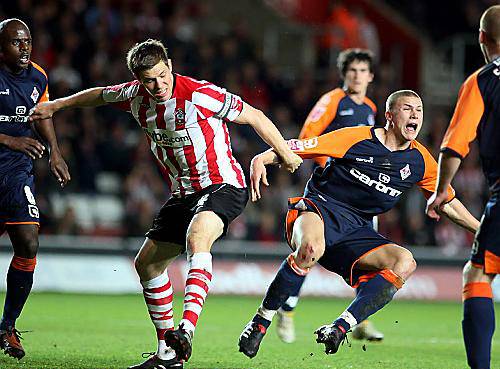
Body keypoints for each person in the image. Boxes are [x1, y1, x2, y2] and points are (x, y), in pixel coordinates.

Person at [30, 39, 302, 369]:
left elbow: (255, 116)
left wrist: (286, 154)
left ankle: (185, 331)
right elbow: (98, 94)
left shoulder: (200, 93)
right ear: (138, 80)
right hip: (183, 193)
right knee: (147, 265)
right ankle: (167, 355)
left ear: (170, 65)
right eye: (149, 80)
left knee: (197, 237)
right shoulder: (133, 96)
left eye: (162, 76)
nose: (158, 86)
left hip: (224, 184)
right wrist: (56, 106)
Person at [238, 90, 480, 359]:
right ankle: (260, 322)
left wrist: (481, 230)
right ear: (389, 115)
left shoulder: (420, 161)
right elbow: (301, 147)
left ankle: (340, 328)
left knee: (405, 262)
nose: (415, 115)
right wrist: (263, 157)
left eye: (419, 110)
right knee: (309, 248)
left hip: (357, 231)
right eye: (407, 109)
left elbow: (447, 201)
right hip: (320, 209)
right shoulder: (356, 137)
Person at [277, 48, 382, 344]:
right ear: (343, 74)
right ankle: (287, 309)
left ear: (370, 76)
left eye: (363, 71)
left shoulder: (371, 108)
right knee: (311, 250)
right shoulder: (333, 100)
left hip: (362, 194)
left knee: (368, 259)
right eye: (352, 70)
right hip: (332, 192)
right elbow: (309, 134)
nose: (357, 76)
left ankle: (362, 321)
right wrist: (328, 166)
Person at [426, 5, 500, 369]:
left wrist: (442, 190)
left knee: (478, 274)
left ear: (482, 39)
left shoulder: (482, 81)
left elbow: (455, 144)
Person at [0, 18, 71, 360]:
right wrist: (9, 139)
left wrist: (55, 151)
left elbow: (41, 114)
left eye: (27, 41)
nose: (24, 47)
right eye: (16, 42)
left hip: (16, 175)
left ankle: (7, 327)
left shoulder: (38, 76)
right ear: (2, 48)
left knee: (28, 241)